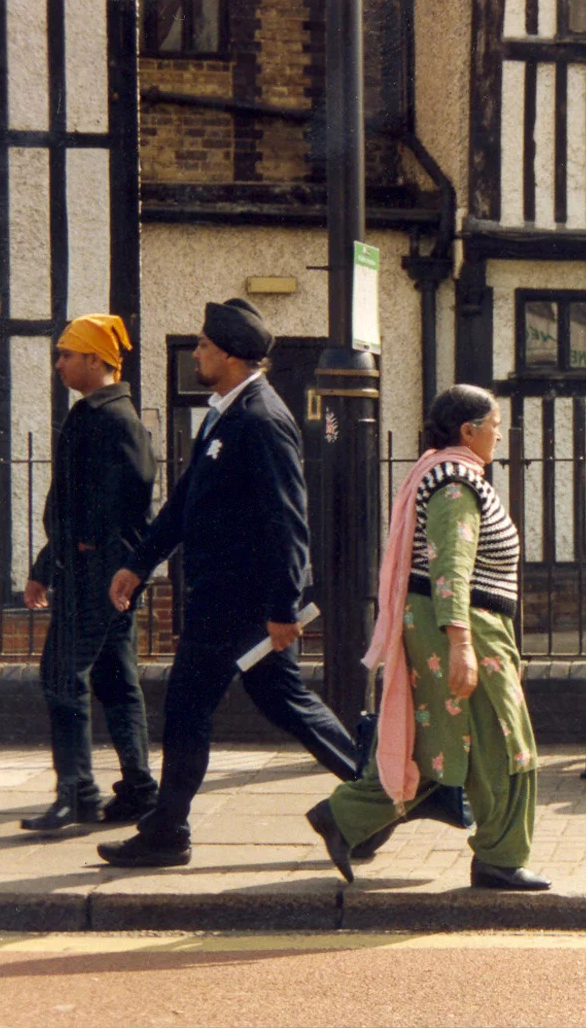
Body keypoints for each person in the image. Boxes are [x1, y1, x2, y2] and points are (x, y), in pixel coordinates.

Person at [97, 299, 359, 868]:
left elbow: (289, 517)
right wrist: (140, 563)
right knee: (281, 700)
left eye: (203, 347)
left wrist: (285, 604)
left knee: (190, 705)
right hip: (227, 599)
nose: (196, 354)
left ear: (232, 356)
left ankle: (168, 833)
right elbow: (187, 500)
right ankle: (381, 794)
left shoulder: (262, 419)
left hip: (239, 603)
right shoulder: (226, 411)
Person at [306, 386, 548, 890]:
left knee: (437, 743)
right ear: (468, 431)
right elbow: (450, 570)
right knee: (506, 740)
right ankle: (500, 858)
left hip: (459, 623)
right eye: (494, 423)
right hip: (466, 626)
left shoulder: (445, 474)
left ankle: (344, 818)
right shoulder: (455, 484)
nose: (499, 433)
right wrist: (461, 642)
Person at [20, 316, 158, 832]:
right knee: (114, 680)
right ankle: (140, 790)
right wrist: (44, 567)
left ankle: (77, 794)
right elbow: (68, 499)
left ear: (95, 360)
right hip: (85, 570)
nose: (58, 364)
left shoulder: (117, 419)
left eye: (66, 355)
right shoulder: (90, 414)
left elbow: (135, 494)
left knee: (60, 675)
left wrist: (94, 546)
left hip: (97, 575)